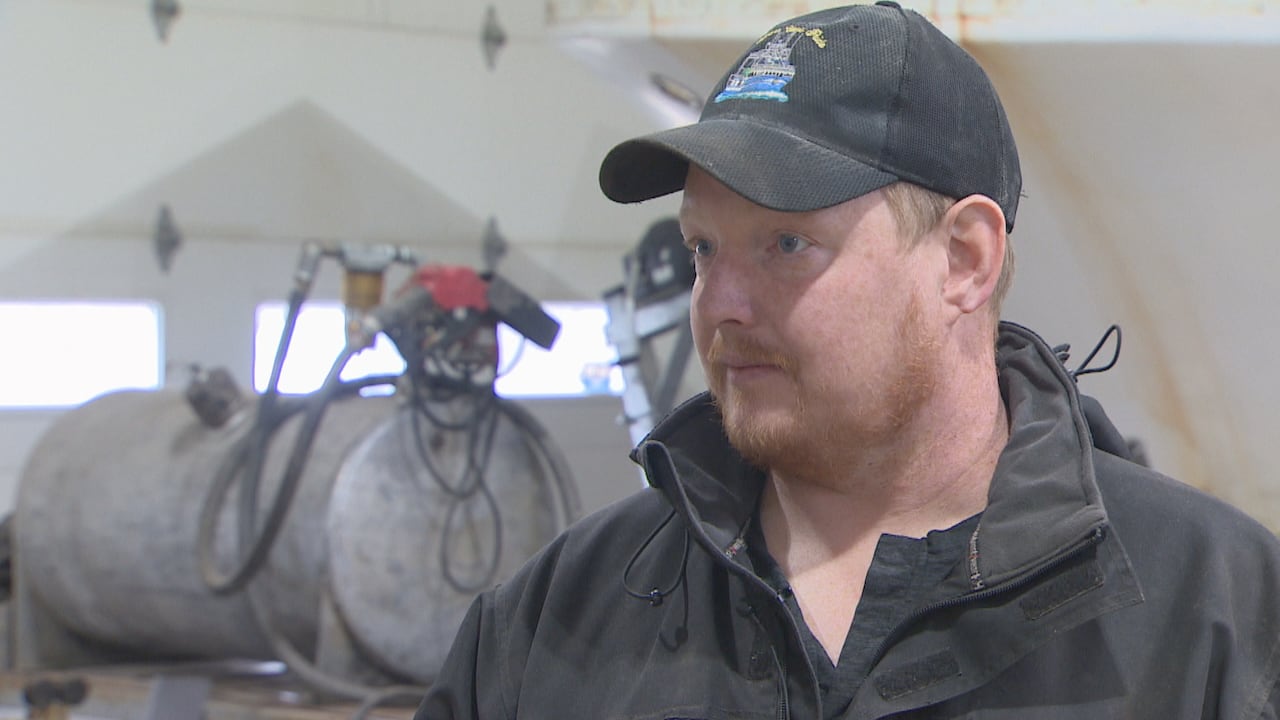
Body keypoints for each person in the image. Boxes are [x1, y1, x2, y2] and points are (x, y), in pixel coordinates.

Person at [415, 3, 1280, 717]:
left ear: (964, 260)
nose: (719, 304)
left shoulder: (1214, 615)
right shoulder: (560, 615)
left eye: (787, 243)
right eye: (705, 250)